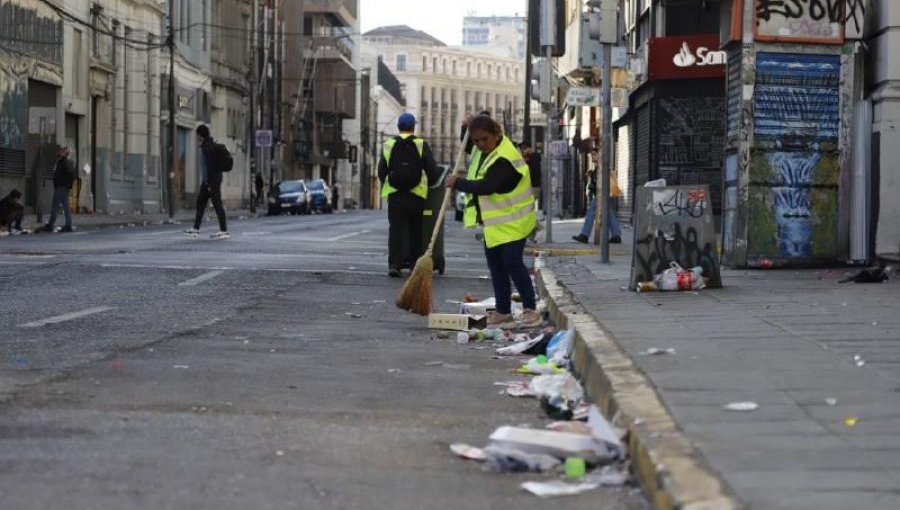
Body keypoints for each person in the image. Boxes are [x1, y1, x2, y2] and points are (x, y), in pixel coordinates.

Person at [447, 114, 542, 329]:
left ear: (496, 134)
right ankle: (503, 312)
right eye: (476, 140)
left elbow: (487, 186)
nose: (480, 145)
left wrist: (458, 182)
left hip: (516, 220)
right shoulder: (487, 151)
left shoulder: (504, 158)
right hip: (497, 224)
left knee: (511, 261)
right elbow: (469, 149)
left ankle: (530, 308)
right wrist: (466, 128)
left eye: (484, 140)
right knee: (496, 266)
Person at [378, 113, 439, 277]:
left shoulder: (389, 144)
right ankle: (414, 265)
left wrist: (391, 183)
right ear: (413, 127)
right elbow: (432, 171)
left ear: (398, 127)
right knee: (415, 231)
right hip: (416, 195)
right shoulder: (421, 144)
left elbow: (381, 171)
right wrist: (428, 184)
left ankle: (395, 265)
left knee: (396, 230)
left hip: (396, 195)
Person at [185, 124, 229, 239]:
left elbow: (208, 167)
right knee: (201, 203)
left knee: (217, 204)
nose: (197, 137)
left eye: (197, 135)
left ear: (200, 135)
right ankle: (195, 229)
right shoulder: (209, 145)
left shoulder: (206, 148)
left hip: (211, 180)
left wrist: (208, 182)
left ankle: (224, 230)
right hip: (211, 180)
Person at [573, 150, 622, 244]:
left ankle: (584, 235)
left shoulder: (601, 167)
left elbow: (601, 183)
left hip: (602, 194)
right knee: (609, 214)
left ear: (600, 155)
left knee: (591, 211)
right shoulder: (598, 168)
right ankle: (616, 236)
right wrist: (591, 176)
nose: (592, 156)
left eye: (595, 154)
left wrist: (592, 184)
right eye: (592, 154)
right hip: (605, 194)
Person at [39, 146, 76, 233]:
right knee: (66, 207)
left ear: (65, 153)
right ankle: (68, 225)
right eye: (60, 150)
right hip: (64, 187)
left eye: (62, 151)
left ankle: (51, 225)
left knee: (55, 206)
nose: (59, 152)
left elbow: (69, 174)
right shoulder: (66, 162)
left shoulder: (64, 162)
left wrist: (62, 183)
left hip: (61, 187)